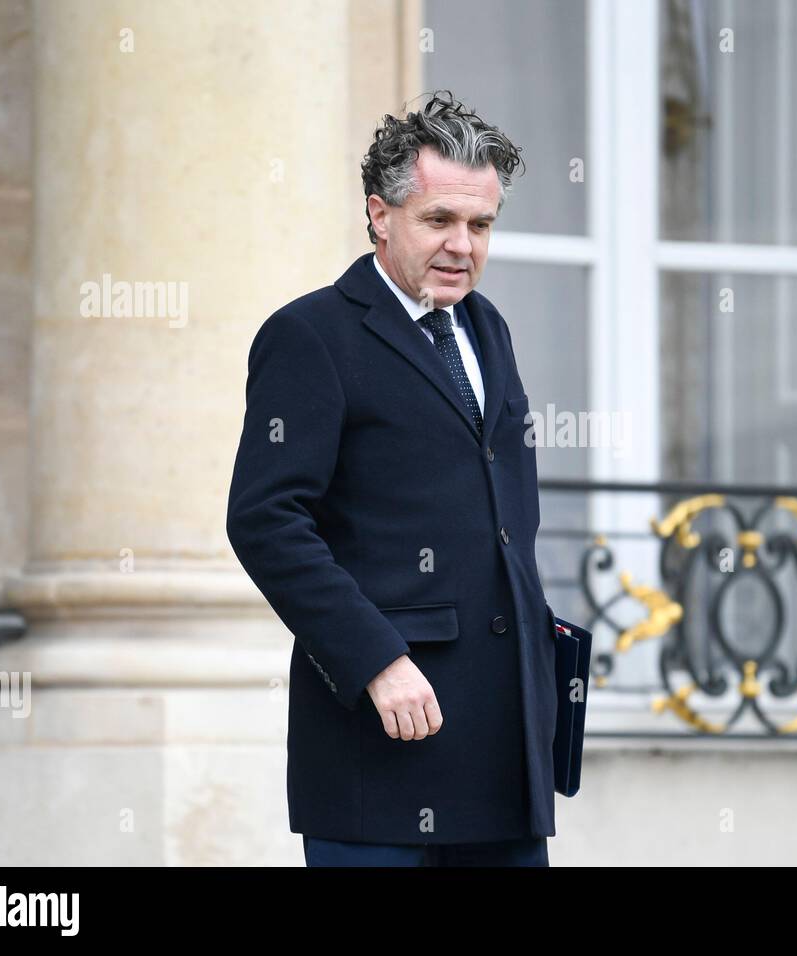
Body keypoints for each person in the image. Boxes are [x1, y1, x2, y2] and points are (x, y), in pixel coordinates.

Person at [226, 90, 556, 867]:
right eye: (438, 221)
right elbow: (266, 521)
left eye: (480, 226)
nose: (462, 246)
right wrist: (375, 658)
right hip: (378, 742)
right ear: (381, 215)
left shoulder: (488, 328)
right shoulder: (309, 335)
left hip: (504, 745)